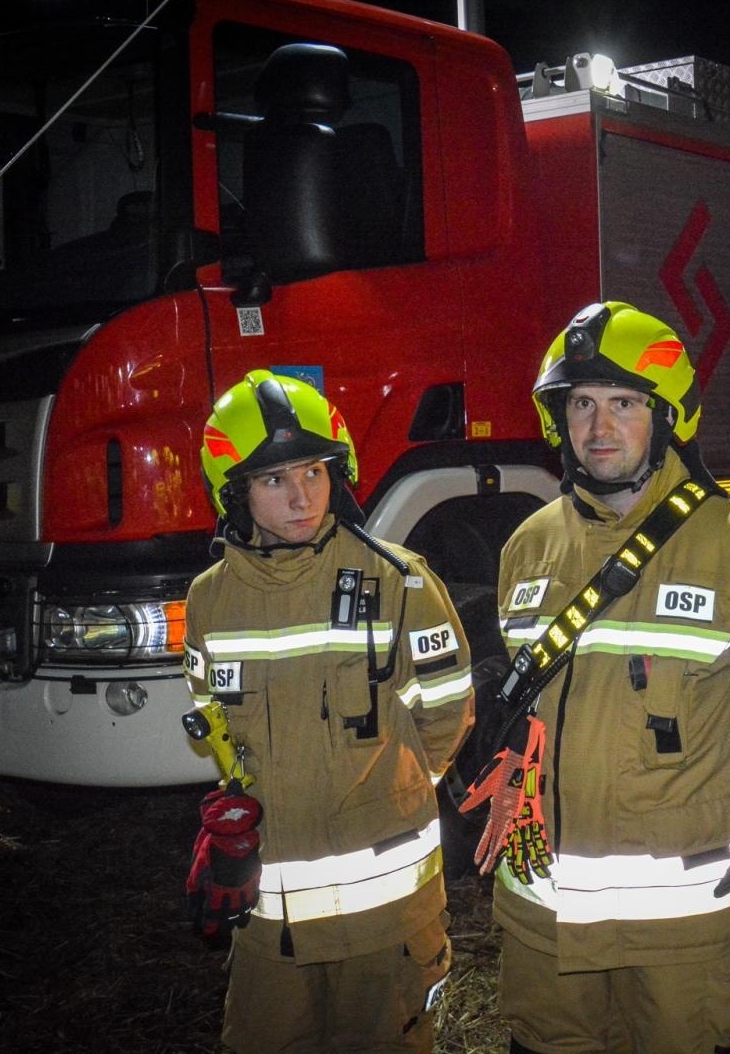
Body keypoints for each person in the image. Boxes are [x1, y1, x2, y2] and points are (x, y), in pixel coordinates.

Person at [476, 301, 730, 1053]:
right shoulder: (526, 548)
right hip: (549, 933)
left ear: (668, 418)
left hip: (682, 941)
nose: (599, 427)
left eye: (624, 404)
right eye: (581, 404)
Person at [183, 369, 475, 1053]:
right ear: (235, 493)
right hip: (268, 927)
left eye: (314, 472)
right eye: (274, 479)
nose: (302, 496)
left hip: (386, 921)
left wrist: (385, 795)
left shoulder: (400, 581)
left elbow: (447, 713)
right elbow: (215, 722)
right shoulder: (209, 602)